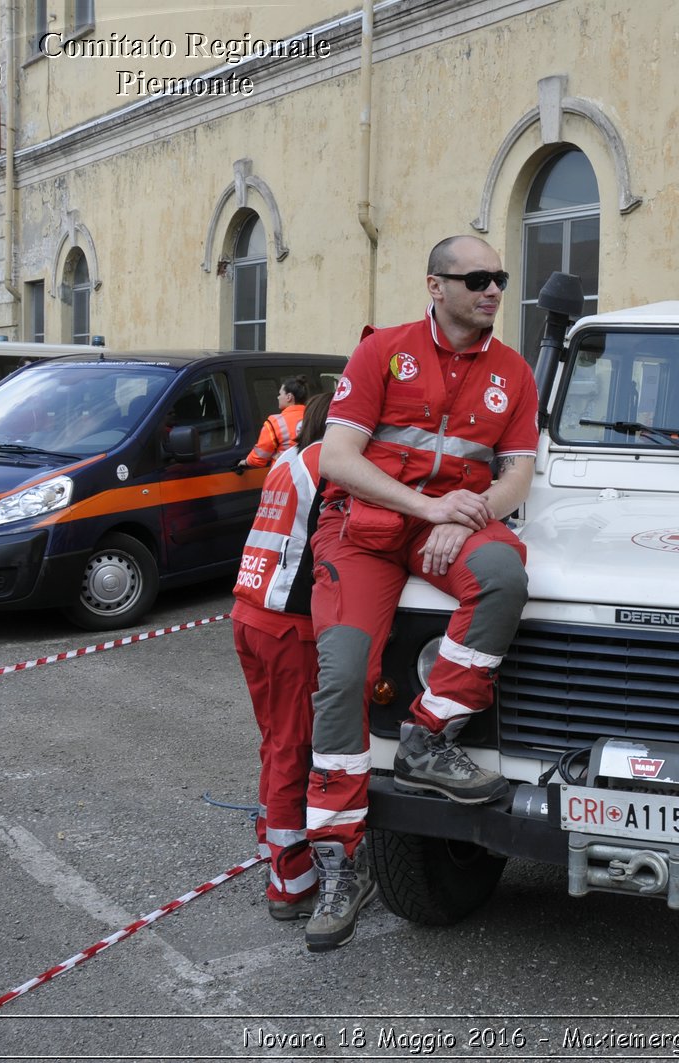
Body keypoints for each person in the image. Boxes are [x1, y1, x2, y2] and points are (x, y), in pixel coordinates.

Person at [303, 235, 537, 952]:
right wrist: (426, 507)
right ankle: (341, 862)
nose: (493, 289)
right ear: (435, 285)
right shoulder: (383, 353)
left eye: (498, 277)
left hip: (451, 526)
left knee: (503, 576)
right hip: (365, 534)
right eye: (476, 278)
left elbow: (518, 472)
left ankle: (429, 735)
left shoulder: (514, 372)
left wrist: (474, 509)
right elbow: (338, 457)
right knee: (343, 678)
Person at [231, 392, 333, 921]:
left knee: (275, 740)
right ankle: (290, 881)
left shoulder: (287, 460)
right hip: (290, 626)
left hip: (250, 615)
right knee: (295, 746)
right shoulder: (327, 462)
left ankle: (270, 841)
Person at [240, 376, 310, 468]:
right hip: (312, 474)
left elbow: (259, 458)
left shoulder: (275, 423)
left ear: (289, 397)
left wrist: (245, 462)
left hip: (285, 476)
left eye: (280, 394)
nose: (278, 397)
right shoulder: (315, 418)